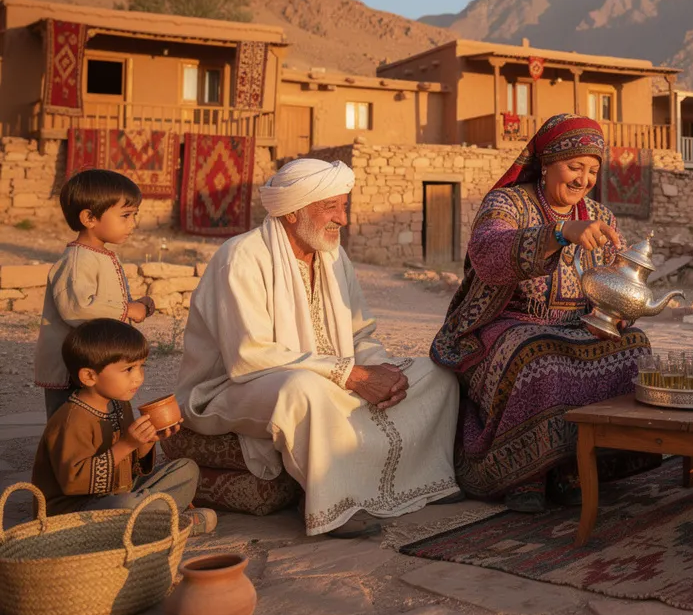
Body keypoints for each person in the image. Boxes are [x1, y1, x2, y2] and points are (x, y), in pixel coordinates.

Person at [177, 158, 462, 539]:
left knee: (436, 377)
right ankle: (336, 503)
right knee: (305, 390)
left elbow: (360, 335)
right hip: (235, 388)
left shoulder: (333, 255)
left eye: (343, 206)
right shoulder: (242, 256)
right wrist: (351, 376)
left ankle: (423, 481)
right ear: (293, 211)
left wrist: (384, 374)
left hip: (333, 377)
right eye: (331, 207)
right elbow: (250, 356)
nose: (342, 219)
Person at [430, 113, 662, 514]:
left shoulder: (601, 217)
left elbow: (617, 280)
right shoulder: (506, 203)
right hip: (507, 323)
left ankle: (580, 463)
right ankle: (527, 472)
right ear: (547, 163)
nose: (583, 179)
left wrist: (617, 314)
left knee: (634, 346)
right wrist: (559, 233)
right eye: (575, 167)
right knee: (538, 355)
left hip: (579, 325)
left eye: (592, 171)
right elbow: (487, 253)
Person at [32, 319, 214, 534]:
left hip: (117, 493)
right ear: (89, 376)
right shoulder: (70, 420)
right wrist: (127, 444)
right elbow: (74, 482)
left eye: (141, 366)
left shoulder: (120, 404)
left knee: (186, 470)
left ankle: (151, 519)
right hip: (74, 513)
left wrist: (147, 441)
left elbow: (130, 467)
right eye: (128, 369)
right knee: (126, 505)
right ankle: (167, 526)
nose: (138, 377)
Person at [35, 169, 157, 418]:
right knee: (70, 419)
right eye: (125, 215)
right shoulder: (77, 261)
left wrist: (135, 305)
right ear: (89, 218)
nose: (132, 224)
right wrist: (126, 309)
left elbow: (102, 302)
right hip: (73, 368)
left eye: (134, 215)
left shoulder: (99, 255)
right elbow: (78, 308)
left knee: (103, 414)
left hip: (95, 361)